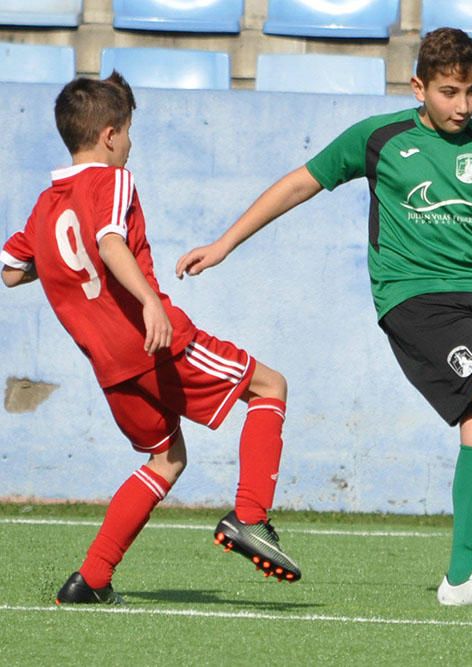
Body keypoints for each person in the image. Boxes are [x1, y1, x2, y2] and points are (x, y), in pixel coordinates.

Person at [176, 28, 472, 609]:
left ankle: (462, 578)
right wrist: (226, 243)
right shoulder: (379, 139)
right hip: (415, 302)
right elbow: (301, 183)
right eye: (450, 92)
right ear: (419, 87)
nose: (463, 105)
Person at [1, 72, 301, 605]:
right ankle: (250, 516)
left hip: (109, 368)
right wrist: (149, 303)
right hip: (154, 343)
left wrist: (61, 270)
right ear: (111, 134)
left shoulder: (46, 206)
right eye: (130, 132)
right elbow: (109, 241)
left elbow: (10, 270)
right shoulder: (112, 181)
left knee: (166, 460)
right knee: (270, 386)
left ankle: (91, 579)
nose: (131, 144)